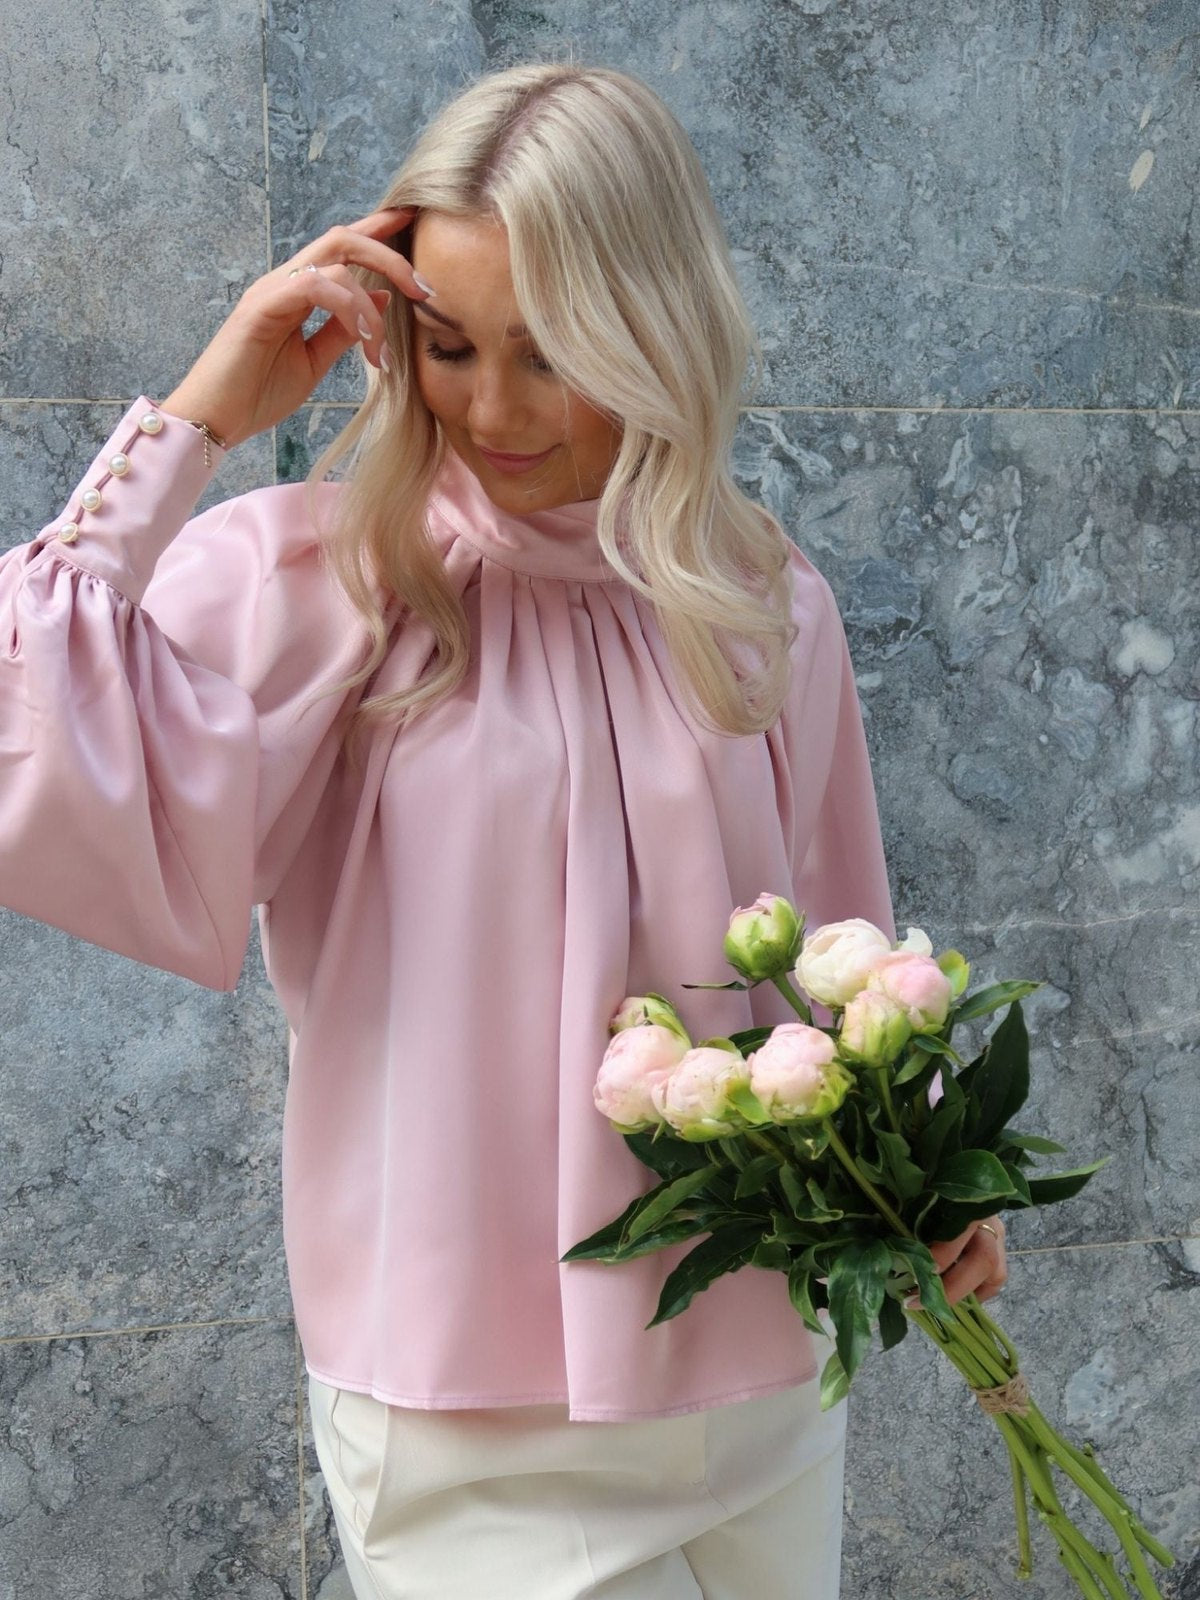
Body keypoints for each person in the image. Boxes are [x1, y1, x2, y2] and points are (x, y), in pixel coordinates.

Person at [0, 61, 1007, 1600]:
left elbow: (841, 947)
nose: (489, 410)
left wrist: (930, 1181)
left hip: (757, 1378)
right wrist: (199, 420)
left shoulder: (757, 598)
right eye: (451, 346)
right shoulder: (321, 586)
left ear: (655, 331)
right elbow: (30, 722)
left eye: (551, 353)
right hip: (464, 1421)